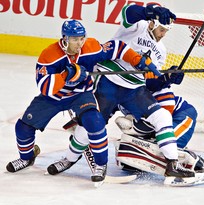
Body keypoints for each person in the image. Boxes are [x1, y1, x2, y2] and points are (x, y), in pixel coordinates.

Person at [6, 19, 164, 184]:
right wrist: (66, 76)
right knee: (23, 127)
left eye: (82, 38)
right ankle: (27, 158)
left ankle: (100, 165)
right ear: (65, 39)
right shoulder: (49, 55)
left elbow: (118, 47)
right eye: (75, 39)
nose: (79, 43)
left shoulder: (90, 47)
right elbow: (45, 86)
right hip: (53, 98)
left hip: (80, 95)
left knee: (95, 122)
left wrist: (139, 60)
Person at [53, 3, 196, 184]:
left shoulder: (161, 50)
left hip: (135, 91)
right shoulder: (137, 26)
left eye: (166, 31)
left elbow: (151, 81)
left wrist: (167, 78)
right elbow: (128, 11)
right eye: (161, 29)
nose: (163, 34)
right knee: (89, 125)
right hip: (108, 86)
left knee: (163, 118)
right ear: (152, 23)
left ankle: (172, 164)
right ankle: (68, 159)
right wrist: (147, 12)